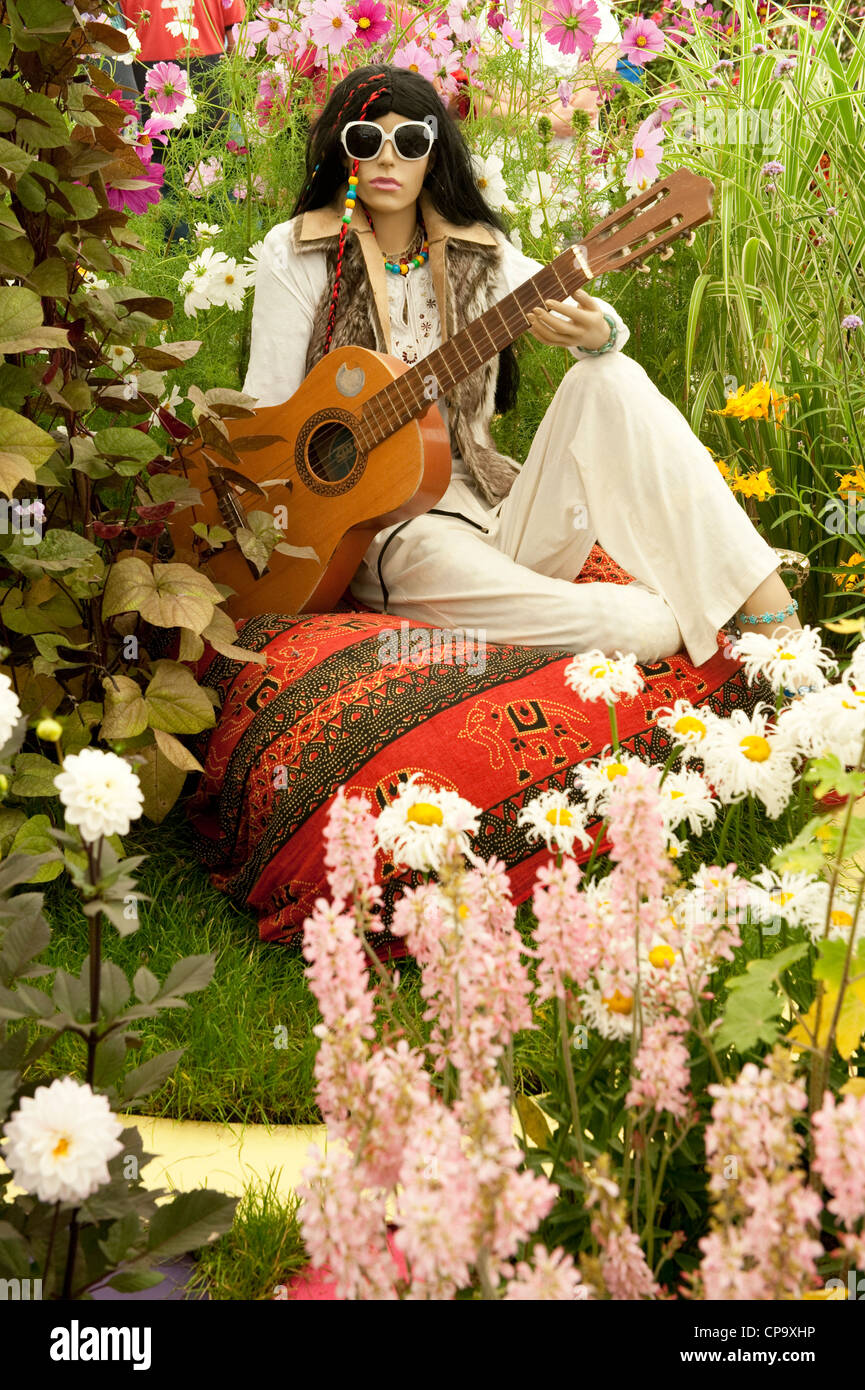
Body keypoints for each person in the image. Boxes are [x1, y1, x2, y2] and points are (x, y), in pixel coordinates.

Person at [242, 63, 800, 668]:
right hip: (396, 535)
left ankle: (774, 616)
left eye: (409, 143)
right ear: (342, 150)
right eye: (366, 141)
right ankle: (666, 610)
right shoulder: (296, 250)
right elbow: (262, 413)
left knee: (607, 372)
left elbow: (579, 306)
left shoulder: (481, 251)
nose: (387, 160)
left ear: (433, 154)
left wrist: (599, 332)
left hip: (496, 507)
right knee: (644, 626)